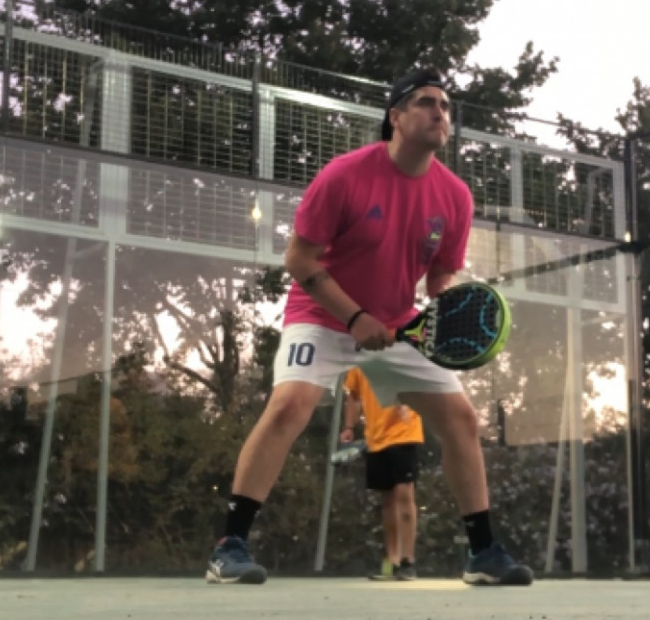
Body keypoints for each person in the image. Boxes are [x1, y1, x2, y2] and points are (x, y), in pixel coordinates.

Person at [206, 66, 533, 587]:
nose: (440, 113)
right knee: (289, 406)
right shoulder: (344, 175)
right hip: (321, 315)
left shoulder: (455, 197)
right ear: (396, 116)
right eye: (427, 102)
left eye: (446, 106)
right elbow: (298, 259)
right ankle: (230, 547)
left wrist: (449, 309)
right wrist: (355, 317)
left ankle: (482, 553)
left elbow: (440, 276)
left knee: (462, 420)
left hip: (398, 326)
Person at [342, 367, 421, 580]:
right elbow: (354, 396)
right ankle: (393, 562)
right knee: (387, 501)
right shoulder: (359, 363)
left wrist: (410, 403)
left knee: (405, 494)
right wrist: (348, 427)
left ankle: (408, 561)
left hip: (405, 433)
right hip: (375, 438)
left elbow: (420, 383)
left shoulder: (403, 354)